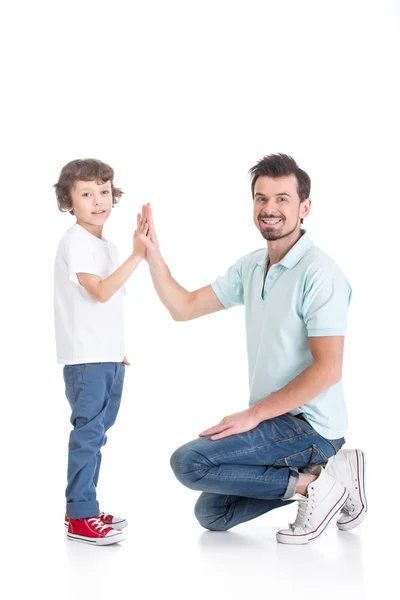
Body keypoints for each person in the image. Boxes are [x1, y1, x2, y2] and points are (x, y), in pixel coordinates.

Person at [138, 153, 367, 544]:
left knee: (190, 462)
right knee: (212, 513)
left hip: (311, 426)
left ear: (304, 207)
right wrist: (152, 256)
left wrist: (252, 415)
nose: (270, 209)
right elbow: (184, 307)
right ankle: (327, 477)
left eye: (282, 199)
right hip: (275, 421)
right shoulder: (252, 267)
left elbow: (329, 369)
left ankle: (314, 485)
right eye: (261, 198)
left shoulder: (320, 273)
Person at [54, 158, 148, 546]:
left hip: (106, 356)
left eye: (104, 191)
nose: (98, 200)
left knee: (98, 434)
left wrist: (116, 350)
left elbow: (107, 307)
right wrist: (137, 255)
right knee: (88, 435)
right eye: (86, 193)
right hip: (87, 360)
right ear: (68, 203)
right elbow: (100, 291)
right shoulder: (76, 241)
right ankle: (81, 514)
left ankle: (83, 505)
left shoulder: (103, 245)